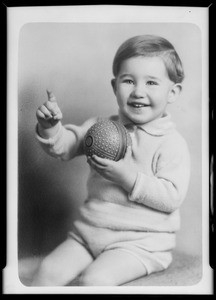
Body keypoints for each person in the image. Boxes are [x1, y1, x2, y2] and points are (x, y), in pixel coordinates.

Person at [32, 35, 191, 286]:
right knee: (47, 271)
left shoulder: (171, 143)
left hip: (140, 243)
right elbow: (65, 147)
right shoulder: (102, 128)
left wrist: (128, 177)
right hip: (89, 234)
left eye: (151, 82)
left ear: (173, 92)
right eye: (128, 81)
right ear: (114, 86)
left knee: (95, 280)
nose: (138, 91)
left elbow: (171, 197)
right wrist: (51, 128)